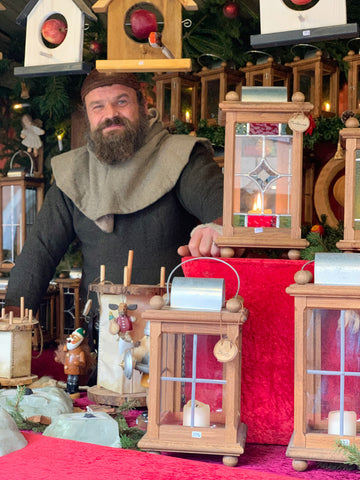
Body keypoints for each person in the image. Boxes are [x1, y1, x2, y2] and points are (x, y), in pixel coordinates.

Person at [5, 69, 224, 324]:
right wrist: (11, 324)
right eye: (98, 107)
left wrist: (216, 227)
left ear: (143, 105)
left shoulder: (181, 155)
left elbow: (220, 207)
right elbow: (39, 252)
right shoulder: (74, 172)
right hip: (100, 335)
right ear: (87, 116)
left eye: (121, 102)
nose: (110, 115)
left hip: (175, 331)